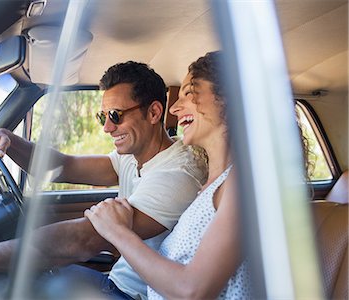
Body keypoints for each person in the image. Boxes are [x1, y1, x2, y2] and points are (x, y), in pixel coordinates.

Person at [0, 61, 207, 299]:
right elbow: (63, 165)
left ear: (154, 112)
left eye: (116, 116)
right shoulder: (134, 156)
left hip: (131, 295)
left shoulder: (176, 175)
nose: (107, 127)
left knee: (3, 281)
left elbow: (84, 238)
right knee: (3, 275)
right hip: (116, 283)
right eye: (102, 116)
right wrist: (8, 140)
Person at [85, 52, 252, 299]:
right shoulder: (215, 183)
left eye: (189, 93)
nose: (173, 108)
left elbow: (192, 290)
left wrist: (117, 232)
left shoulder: (243, 185)